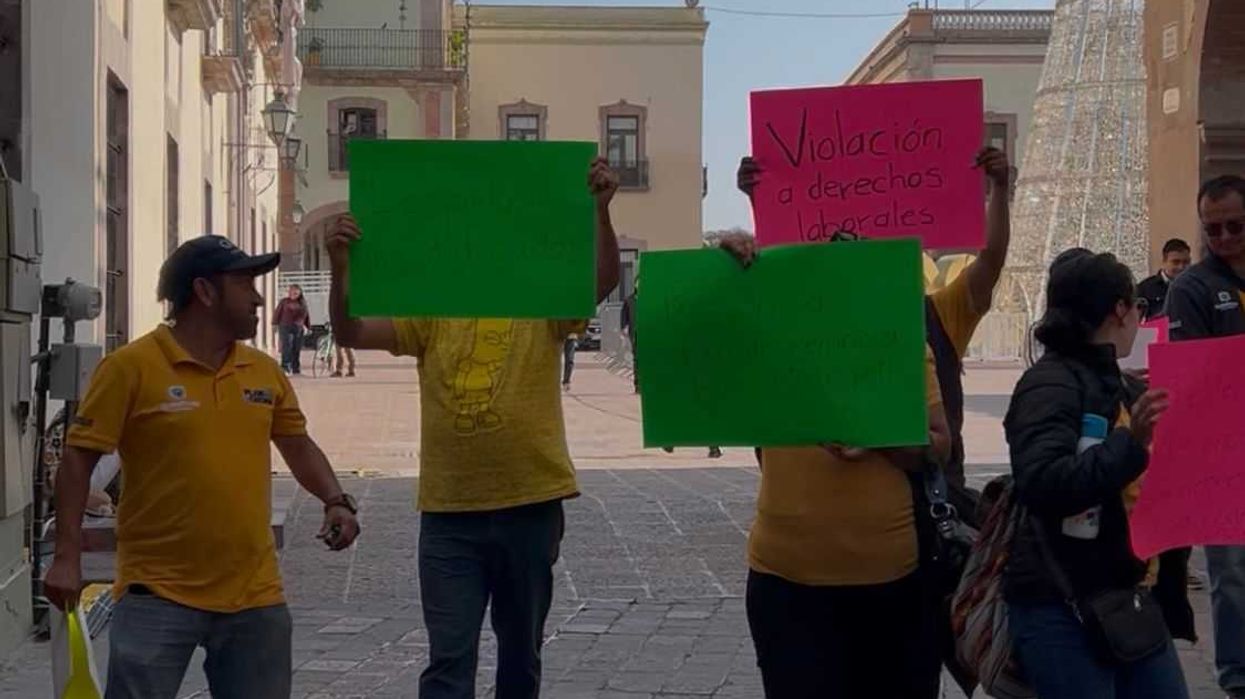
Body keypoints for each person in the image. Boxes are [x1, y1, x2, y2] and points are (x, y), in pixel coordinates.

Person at [324, 158, 620, 698]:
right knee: (448, 662)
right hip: (449, 513)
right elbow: (350, 332)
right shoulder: (432, 309)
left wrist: (600, 213)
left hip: (531, 504)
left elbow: (600, 282)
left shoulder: (540, 299)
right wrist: (340, 267)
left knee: (520, 658)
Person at [41, 236, 361, 699]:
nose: (257, 299)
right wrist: (67, 558)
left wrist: (336, 500)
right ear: (204, 291)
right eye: (244, 284)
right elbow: (77, 461)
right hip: (156, 593)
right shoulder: (130, 367)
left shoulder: (263, 371)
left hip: (255, 595)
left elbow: (297, 444)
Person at [718, 233, 952, 698]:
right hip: (784, 581)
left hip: (889, 581)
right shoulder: (769, 345)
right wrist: (726, 271)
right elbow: (702, 335)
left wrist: (879, 438)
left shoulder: (900, 346)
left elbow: (941, 444)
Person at [738, 147, 1013, 515]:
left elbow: (991, 260)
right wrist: (765, 200)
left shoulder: (938, 314)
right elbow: (770, 280)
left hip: (926, 505)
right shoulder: (809, 326)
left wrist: (999, 188)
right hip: (829, 512)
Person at [1003, 248, 1187, 699]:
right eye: (1137, 306)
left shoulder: (1114, 382)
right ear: (1120, 310)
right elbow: (1044, 482)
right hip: (1063, 605)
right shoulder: (1049, 385)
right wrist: (1131, 443)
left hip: (1126, 596)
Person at [1165, 174, 1245, 699]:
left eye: (1235, 226)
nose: (1224, 238)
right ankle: (1238, 675)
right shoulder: (1191, 288)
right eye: (1212, 229)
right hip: (1224, 451)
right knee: (1232, 571)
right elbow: (1190, 377)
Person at [1136, 238, 1193, 320]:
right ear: (1164, 262)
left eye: (1186, 262)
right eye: (1175, 262)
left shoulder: (1196, 288)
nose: (1181, 267)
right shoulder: (1144, 289)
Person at [274, 284, 311, 375]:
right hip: (285, 326)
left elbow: (306, 316)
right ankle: (285, 367)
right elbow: (277, 312)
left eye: (295, 293)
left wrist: (308, 327)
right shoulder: (284, 302)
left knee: (296, 348)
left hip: (298, 328)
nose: (292, 294)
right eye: (291, 292)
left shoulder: (302, 303)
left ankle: (296, 368)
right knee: (287, 347)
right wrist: (274, 324)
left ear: (299, 293)